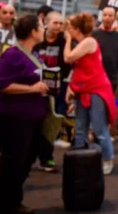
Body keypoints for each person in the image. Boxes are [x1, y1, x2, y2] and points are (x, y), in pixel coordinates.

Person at [0, 15, 49, 214]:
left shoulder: (33, 54)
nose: (43, 30)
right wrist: (32, 89)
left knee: (23, 163)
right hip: (13, 117)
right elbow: (0, 85)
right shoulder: (12, 54)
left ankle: (12, 202)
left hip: (31, 117)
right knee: (10, 165)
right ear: (33, 32)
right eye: (41, 27)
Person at [64, 13, 118, 174]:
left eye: (70, 28)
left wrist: (67, 41)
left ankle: (108, 159)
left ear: (77, 29)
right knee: (80, 126)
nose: (68, 31)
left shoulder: (89, 41)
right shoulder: (83, 43)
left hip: (96, 89)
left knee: (99, 128)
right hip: (84, 89)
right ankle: (81, 157)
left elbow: (68, 58)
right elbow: (77, 68)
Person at [34, 11, 72, 166]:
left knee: (51, 123)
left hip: (57, 87)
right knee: (34, 122)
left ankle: (46, 157)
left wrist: (69, 40)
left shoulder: (63, 42)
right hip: (35, 86)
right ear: (46, 22)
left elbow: (69, 61)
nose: (58, 26)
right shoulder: (37, 40)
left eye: (60, 23)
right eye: (55, 23)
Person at [91, 7, 118, 134]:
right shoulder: (94, 34)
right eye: (105, 15)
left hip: (110, 79)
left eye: (110, 15)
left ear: (114, 18)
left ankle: (103, 133)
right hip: (95, 77)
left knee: (107, 107)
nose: (107, 18)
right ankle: (94, 132)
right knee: (94, 107)